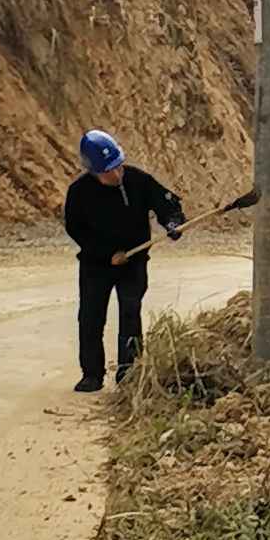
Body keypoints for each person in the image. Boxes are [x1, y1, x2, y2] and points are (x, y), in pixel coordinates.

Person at [63, 129, 184, 392]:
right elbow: (75, 229)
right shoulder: (79, 193)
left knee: (131, 313)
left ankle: (128, 375)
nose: (116, 175)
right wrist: (107, 255)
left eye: (118, 167)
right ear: (93, 171)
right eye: (109, 171)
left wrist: (173, 223)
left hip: (134, 262)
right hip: (96, 265)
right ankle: (92, 374)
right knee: (91, 317)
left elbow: (167, 203)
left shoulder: (138, 180)